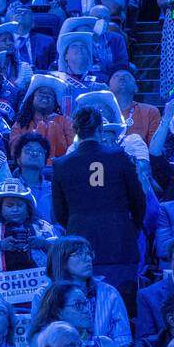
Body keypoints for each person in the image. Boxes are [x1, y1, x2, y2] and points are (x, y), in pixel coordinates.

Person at [50, 107, 146, 307]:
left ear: (75, 129)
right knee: (122, 306)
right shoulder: (119, 156)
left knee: (80, 304)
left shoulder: (61, 163)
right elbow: (138, 200)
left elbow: (59, 212)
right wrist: (132, 228)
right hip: (120, 241)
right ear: (101, 129)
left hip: (80, 241)